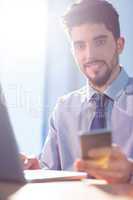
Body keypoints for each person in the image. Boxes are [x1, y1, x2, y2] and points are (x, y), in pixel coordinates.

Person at [22, 0, 133, 183]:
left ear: (119, 44)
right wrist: (35, 170)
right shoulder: (63, 109)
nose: (89, 55)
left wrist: (130, 171)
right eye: (80, 45)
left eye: (99, 42)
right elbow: (50, 171)